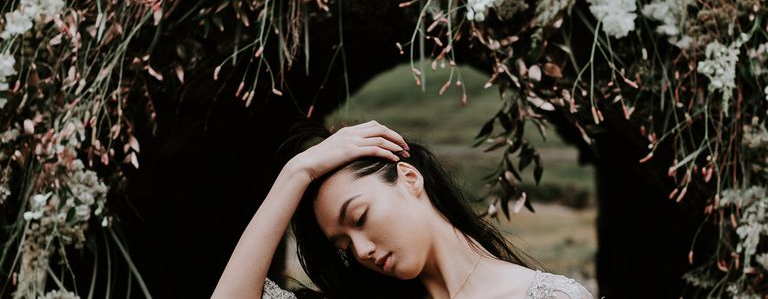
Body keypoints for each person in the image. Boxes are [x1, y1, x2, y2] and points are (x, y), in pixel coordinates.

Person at [212, 120, 593, 299]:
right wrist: (295, 173)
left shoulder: (547, 297)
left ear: (409, 179)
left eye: (359, 218)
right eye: (344, 247)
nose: (361, 251)